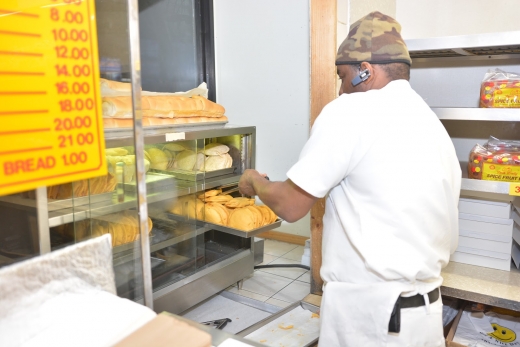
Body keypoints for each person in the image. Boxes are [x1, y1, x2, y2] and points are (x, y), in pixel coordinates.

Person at [238, 11, 461, 347]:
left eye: (342, 76)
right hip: (423, 318)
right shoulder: (433, 126)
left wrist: (253, 181)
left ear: (365, 71)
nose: (341, 89)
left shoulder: (352, 111)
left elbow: (291, 204)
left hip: (371, 319)